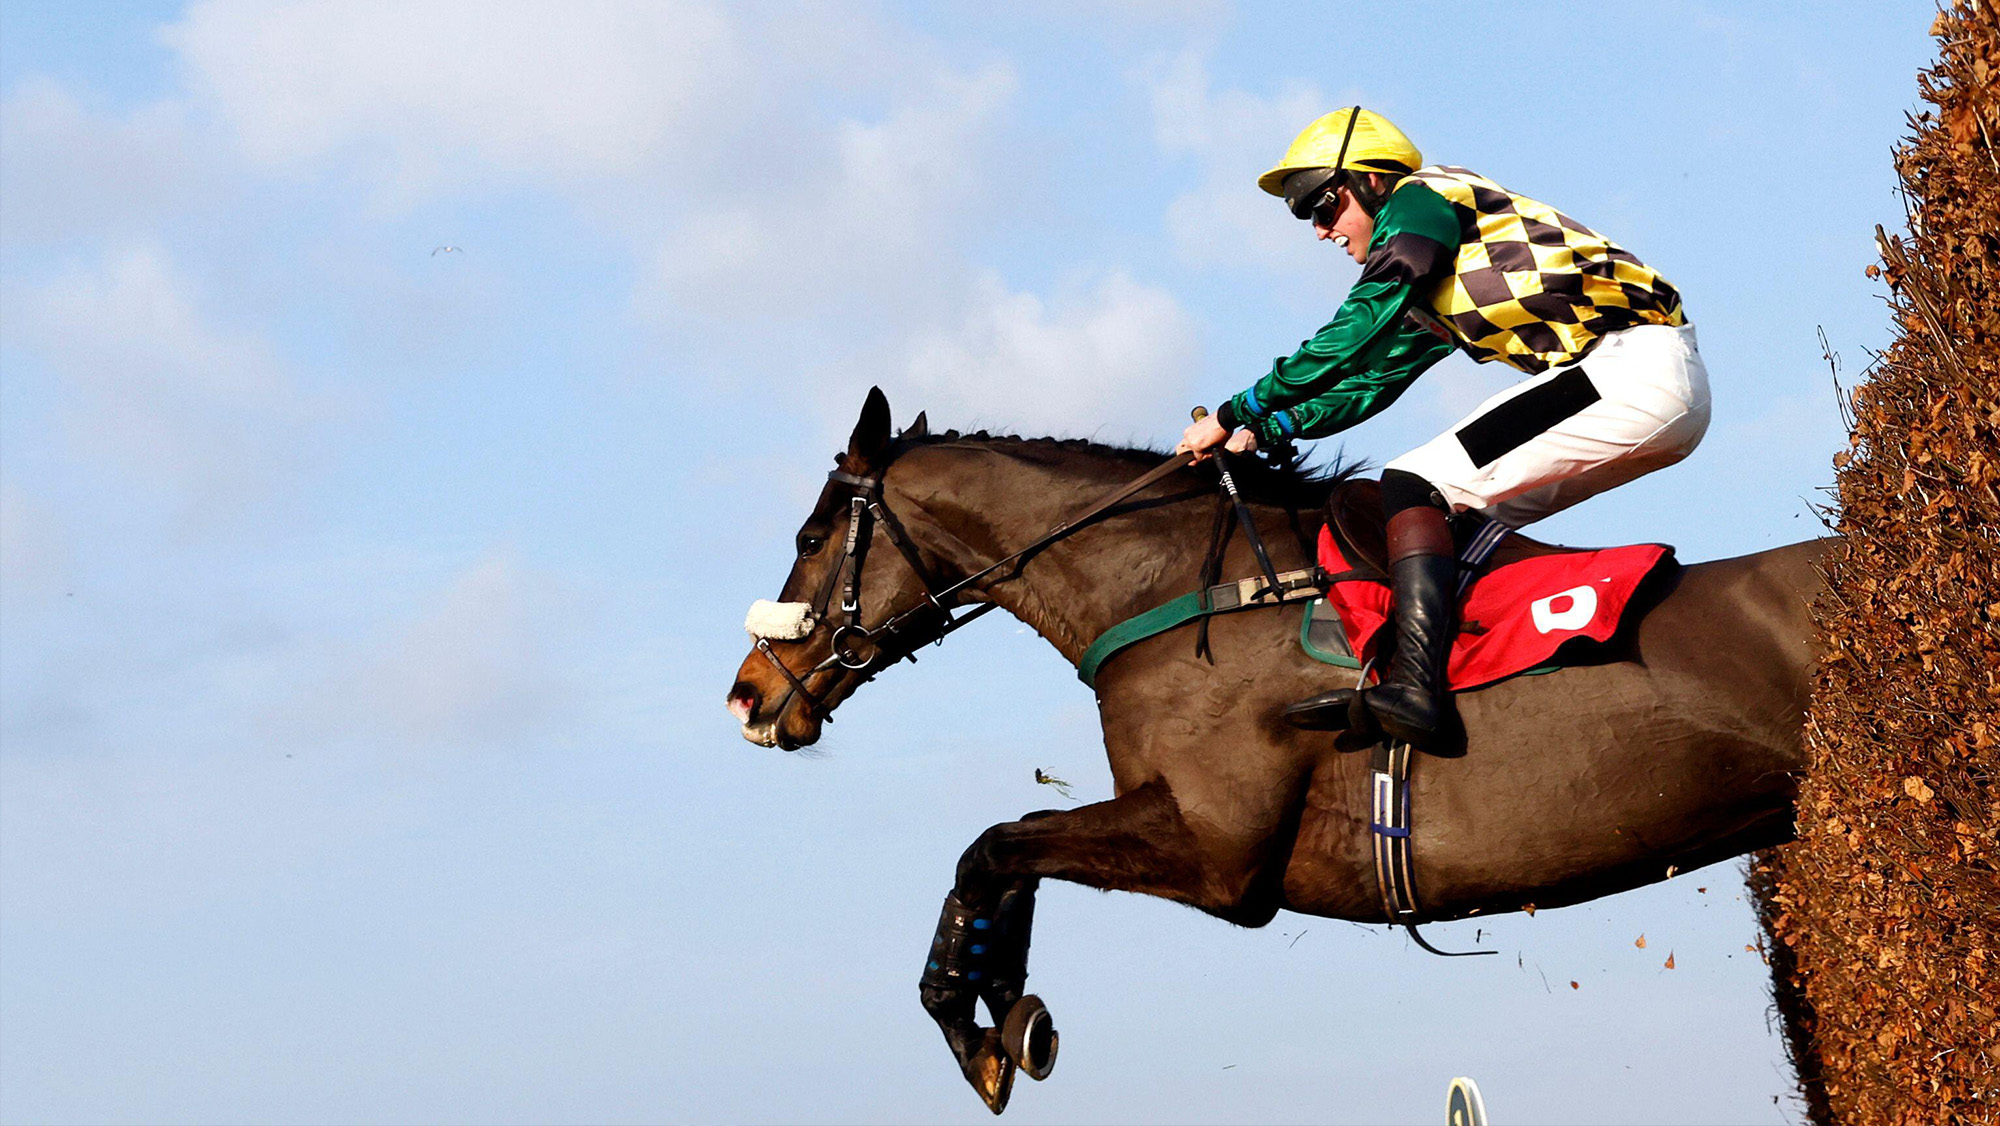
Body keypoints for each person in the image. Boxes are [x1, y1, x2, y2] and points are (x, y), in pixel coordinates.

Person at [1176, 107, 1710, 749]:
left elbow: (1356, 327)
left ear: (1372, 181)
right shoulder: (1438, 274)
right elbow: (1373, 378)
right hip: (1635, 385)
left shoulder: (1420, 199)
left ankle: (1414, 685)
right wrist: (1270, 426)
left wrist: (1239, 408)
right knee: (1450, 525)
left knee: (1411, 482)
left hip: (1633, 370)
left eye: (1321, 207)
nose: (1320, 231)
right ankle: (1490, 684)